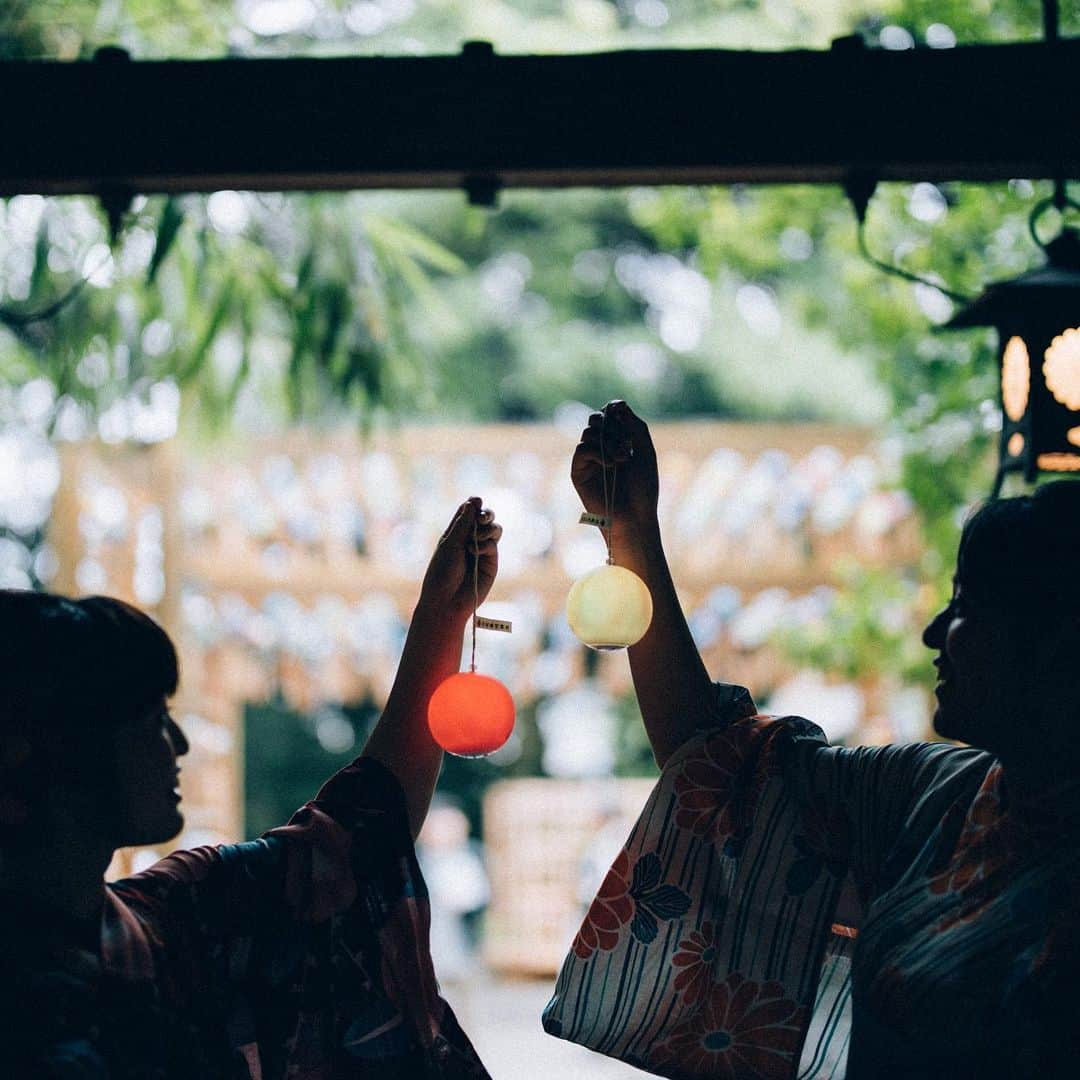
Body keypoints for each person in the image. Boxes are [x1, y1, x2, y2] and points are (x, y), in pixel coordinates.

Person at [544, 402, 1080, 1079]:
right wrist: (630, 532)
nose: (933, 632)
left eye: (968, 606)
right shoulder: (939, 796)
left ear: (1063, 649)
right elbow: (715, 762)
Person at [0, 497, 502, 1079]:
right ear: (40, 750)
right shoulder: (165, 929)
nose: (179, 743)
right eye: (150, 721)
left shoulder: (175, 917)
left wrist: (442, 619)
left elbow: (353, 835)